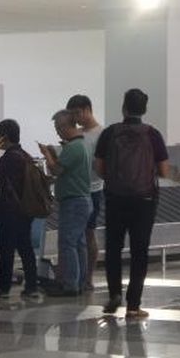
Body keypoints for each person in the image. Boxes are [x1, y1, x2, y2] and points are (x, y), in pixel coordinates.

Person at [95, 88, 169, 318]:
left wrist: (115, 180)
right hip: (144, 200)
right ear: (144, 109)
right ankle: (133, 305)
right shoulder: (152, 135)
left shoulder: (109, 133)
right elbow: (164, 171)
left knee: (113, 248)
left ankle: (114, 293)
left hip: (115, 198)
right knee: (140, 251)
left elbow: (99, 167)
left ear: (124, 107)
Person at [39, 110, 92, 296]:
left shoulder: (74, 148)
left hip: (74, 201)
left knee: (68, 243)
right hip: (82, 200)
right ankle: (80, 282)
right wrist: (54, 153)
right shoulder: (81, 145)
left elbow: (56, 170)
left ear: (65, 126)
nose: (57, 132)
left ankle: (70, 285)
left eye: (57, 128)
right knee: (78, 243)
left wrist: (47, 154)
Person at [0, 119, 39, 299]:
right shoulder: (25, 156)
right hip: (25, 210)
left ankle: (4, 287)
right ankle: (31, 286)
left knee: (6, 249)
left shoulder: (9, 158)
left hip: (9, 210)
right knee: (25, 248)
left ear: (3, 137)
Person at [66, 94, 104, 291]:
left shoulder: (101, 134)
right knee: (77, 236)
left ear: (88, 109)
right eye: (72, 115)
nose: (76, 118)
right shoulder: (78, 134)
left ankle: (88, 277)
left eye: (77, 113)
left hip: (93, 189)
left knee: (88, 234)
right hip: (76, 189)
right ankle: (78, 277)